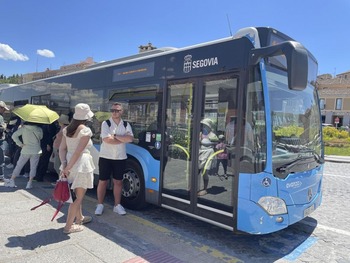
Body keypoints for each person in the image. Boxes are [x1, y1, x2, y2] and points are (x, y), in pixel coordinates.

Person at [59, 103, 95, 234]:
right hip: (81, 165)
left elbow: (62, 148)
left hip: (68, 162)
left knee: (73, 193)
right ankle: (68, 227)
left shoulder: (67, 129)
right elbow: (78, 152)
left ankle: (80, 217)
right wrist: (67, 167)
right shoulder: (85, 131)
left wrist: (64, 164)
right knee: (77, 198)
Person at [95, 102, 134, 216]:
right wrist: (122, 139)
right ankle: (100, 204)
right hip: (106, 157)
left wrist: (115, 136)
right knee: (103, 181)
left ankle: (117, 205)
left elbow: (131, 139)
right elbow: (106, 140)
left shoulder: (126, 124)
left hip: (120, 157)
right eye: (112, 110)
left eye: (117, 110)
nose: (114, 112)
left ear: (122, 111)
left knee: (118, 181)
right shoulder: (105, 123)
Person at [4, 121, 43, 189]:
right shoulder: (39, 129)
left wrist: (20, 144)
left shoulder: (23, 128)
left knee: (19, 165)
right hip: (36, 150)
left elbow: (14, 136)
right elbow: (41, 138)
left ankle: (12, 180)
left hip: (25, 149)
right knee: (33, 167)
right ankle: (29, 183)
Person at [0, 101, 9, 181]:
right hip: (0, 141)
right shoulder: (0, 117)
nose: (4, 111)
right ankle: (1, 176)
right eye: (3, 109)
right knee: (1, 160)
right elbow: (1, 128)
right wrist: (4, 126)